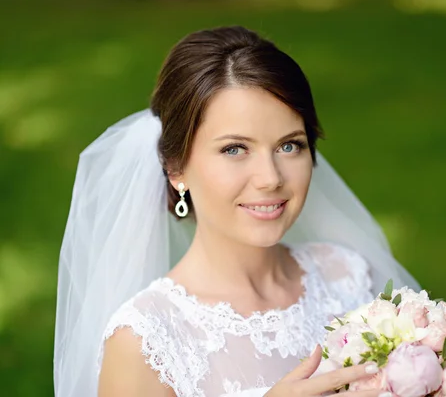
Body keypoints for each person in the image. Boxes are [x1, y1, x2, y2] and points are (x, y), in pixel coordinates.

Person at [53, 26, 419, 397]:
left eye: (290, 146)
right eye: (234, 149)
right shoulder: (145, 342)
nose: (270, 178)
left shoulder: (350, 279)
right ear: (177, 168)